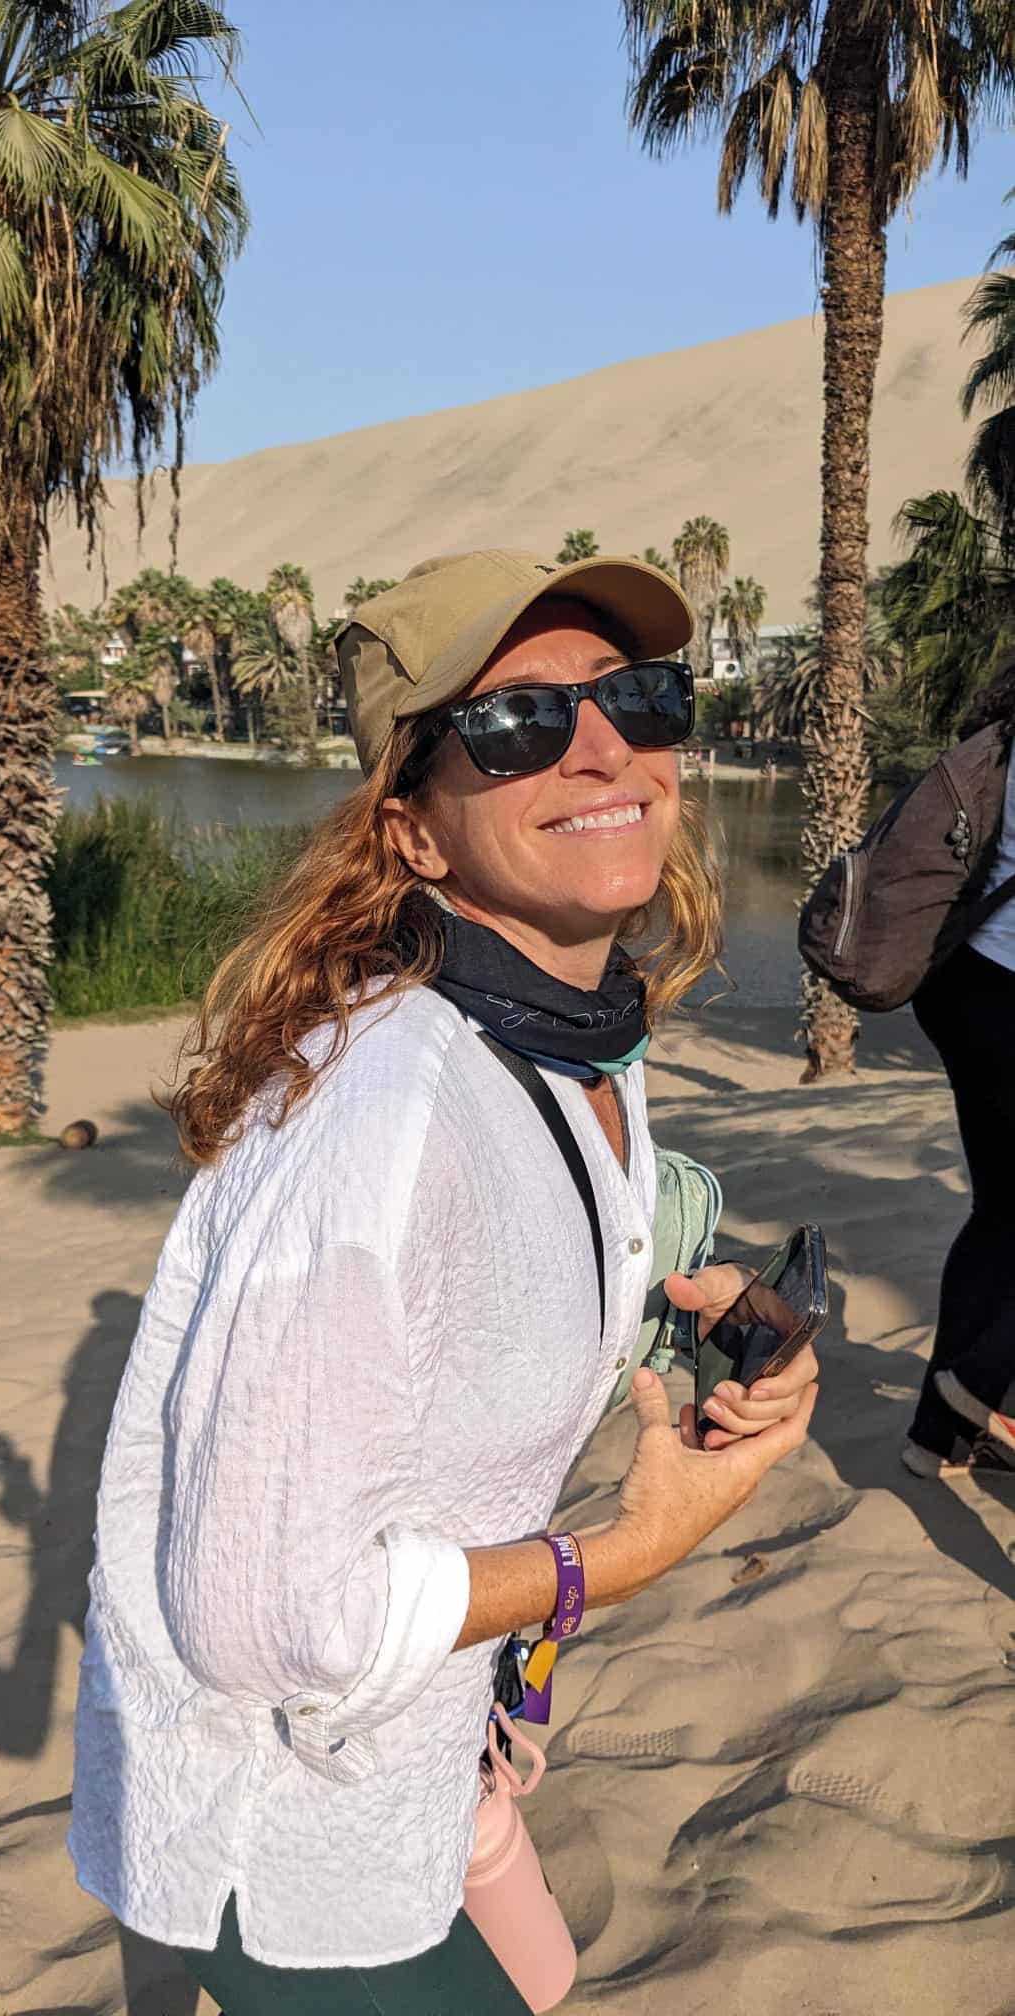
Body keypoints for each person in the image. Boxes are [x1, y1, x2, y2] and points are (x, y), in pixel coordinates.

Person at [69, 550, 819, 2013]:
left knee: (543, 1979)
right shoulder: (379, 1113)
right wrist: (617, 1557)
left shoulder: (569, 1033)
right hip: (291, 1824)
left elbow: (477, 1299)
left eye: (637, 700)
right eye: (517, 724)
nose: (601, 750)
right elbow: (257, 1616)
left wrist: (693, 1310)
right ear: (411, 831)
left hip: (435, 1749)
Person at [904, 663, 1015, 1478]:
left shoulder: (1003, 739)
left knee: (1000, 1215)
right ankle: (978, 1386)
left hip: (969, 986)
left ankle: (934, 1436)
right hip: (1007, 998)